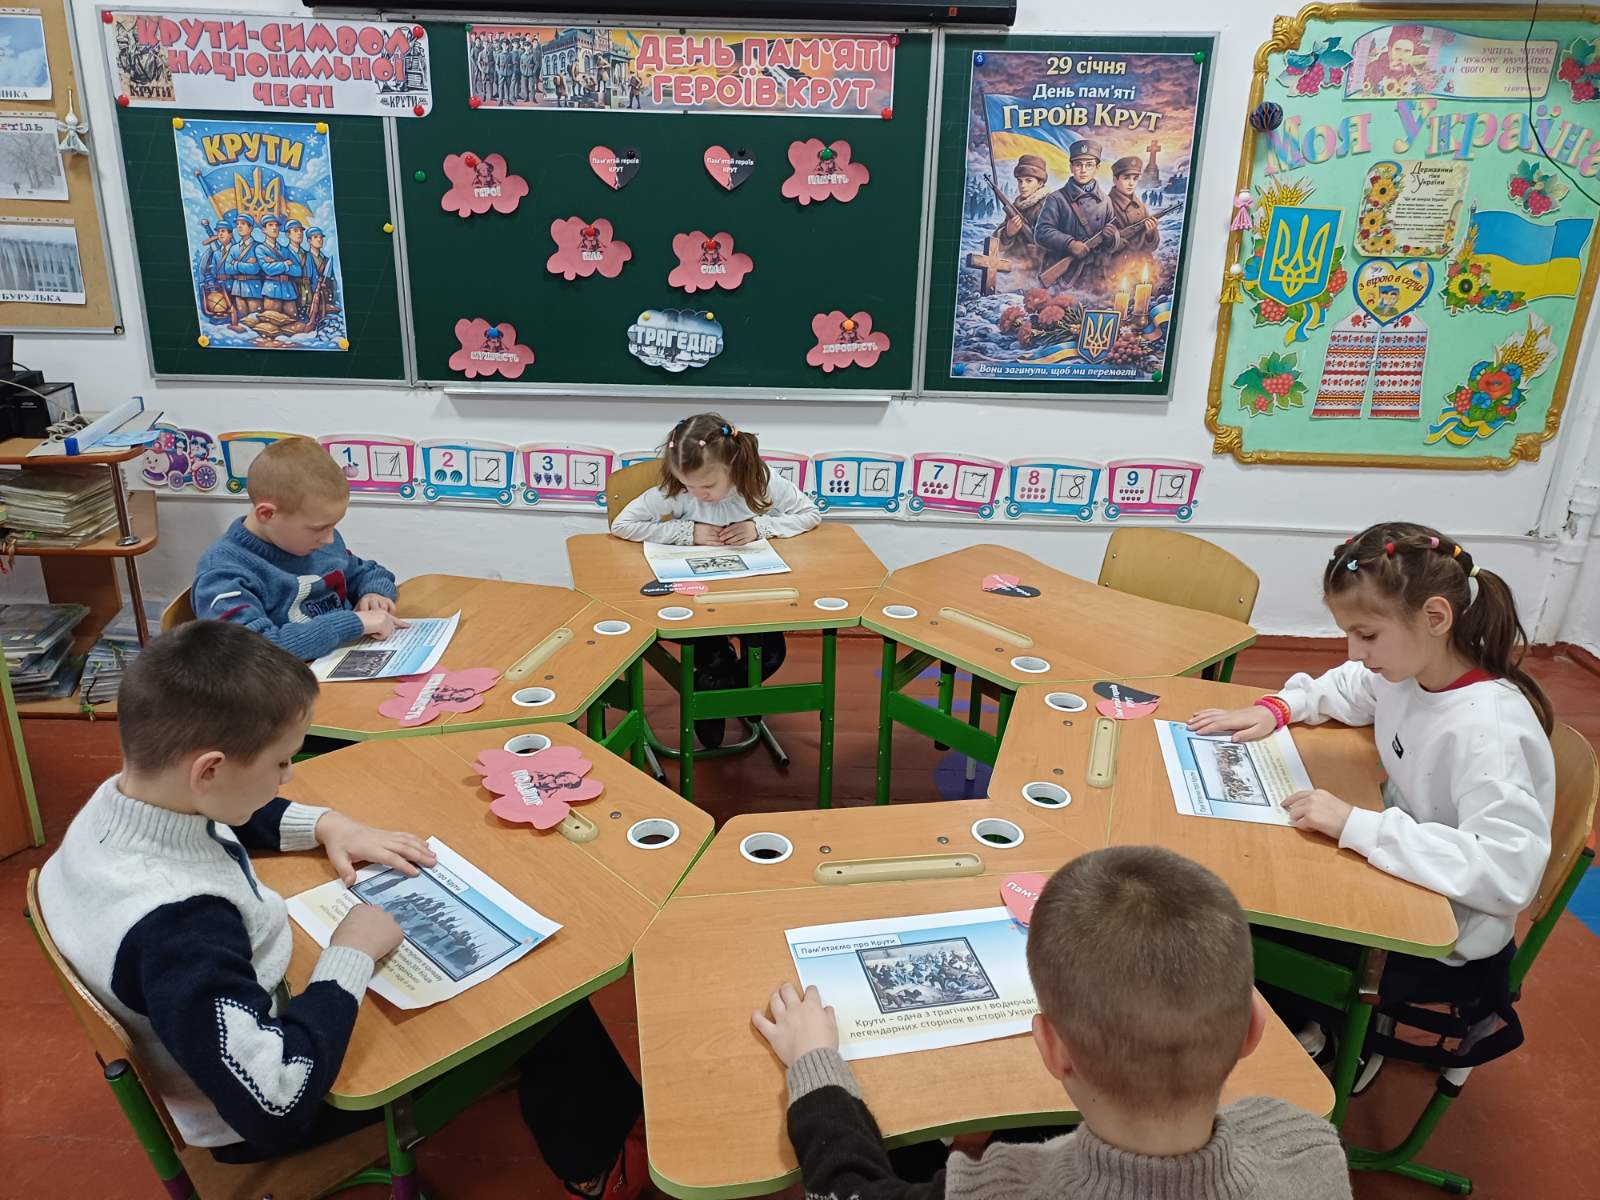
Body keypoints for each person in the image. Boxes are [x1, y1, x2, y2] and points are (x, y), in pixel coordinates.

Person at [36, 622, 650, 1198]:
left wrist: (329, 825)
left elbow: (216, 818)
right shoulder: (179, 928)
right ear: (210, 769)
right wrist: (349, 958)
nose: (287, 778)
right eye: (281, 762)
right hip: (256, 1111)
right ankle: (604, 1163)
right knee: (546, 1002)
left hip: (223, 1030)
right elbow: (274, 1104)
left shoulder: (119, 804)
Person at [752, 846, 1352, 1198]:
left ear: (1050, 1048)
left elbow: (847, 1190)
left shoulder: (1005, 1189)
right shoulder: (1309, 1147)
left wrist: (814, 1064)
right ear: (1253, 1028)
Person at [1188, 522, 1555, 1086]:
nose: (1355, 652)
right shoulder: (1412, 671)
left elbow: (1507, 873)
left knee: (1236, 919)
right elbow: (1350, 686)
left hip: (1443, 939)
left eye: (1367, 635)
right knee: (1256, 884)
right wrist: (1279, 708)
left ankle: (1330, 1037)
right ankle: (1312, 1022)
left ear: (1435, 617)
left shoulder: (1491, 733)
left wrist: (1356, 825)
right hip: (1401, 874)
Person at [610, 413, 820, 749]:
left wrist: (759, 528)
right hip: (699, 600)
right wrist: (686, 532)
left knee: (772, 655)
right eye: (689, 485)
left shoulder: (760, 481)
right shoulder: (680, 490)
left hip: (754, 597)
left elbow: (810, 514)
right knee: (712, 655)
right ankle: (718, 692)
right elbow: (622, 525)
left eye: (707, 486)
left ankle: (712, 692)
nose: (698, 494)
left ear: (733, 467)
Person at [192, 435, 402, 662]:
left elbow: (366, 572)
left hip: (343, 661)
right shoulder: (223, 573)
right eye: (319, 528)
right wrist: (352, 623)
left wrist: (374, 593)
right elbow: (249, 651)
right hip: (287, 679)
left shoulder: (317, 542)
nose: (330, 539)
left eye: (333, 525)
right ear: (267, 514)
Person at [1034, 139, 1119, 290]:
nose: (1083, 170)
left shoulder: (1105, 201)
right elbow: (1042, 232)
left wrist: (1111, 237)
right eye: (1078, 164)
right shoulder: (1056, 198)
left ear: (1097, 168)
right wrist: (1069, 243)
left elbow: (1110, 241)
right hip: (1064, 276)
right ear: (1071, 167)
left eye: (1089, 165)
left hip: (1095, 276)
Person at [993, 153, 1050, 276]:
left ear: (1040, 183)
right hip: (1011, 268)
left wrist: (1039, 250)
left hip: (1036, 271)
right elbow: (995, 243)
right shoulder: (1015, 206)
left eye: (1028, 181)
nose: (1022, 185)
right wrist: (1008, 233)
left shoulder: (1050, 206)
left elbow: (1057, 242)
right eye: (1020, 181)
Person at [1105, 155, 1160, 281]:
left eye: (1135, 179)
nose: (1131, 183)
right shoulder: (1106, 205)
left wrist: (1150, 234)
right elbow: (1103, 246)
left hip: (1142, 268)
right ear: (1115, 180)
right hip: (1118, 271)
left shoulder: (1141, 206)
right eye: (1126, 178)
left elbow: (1152, 247)